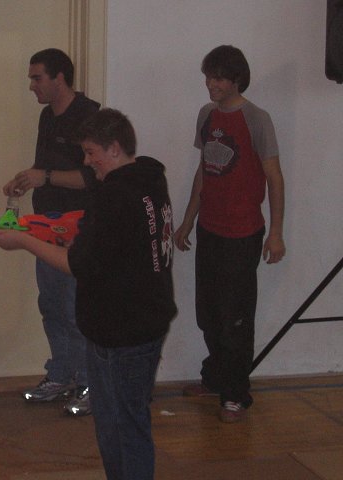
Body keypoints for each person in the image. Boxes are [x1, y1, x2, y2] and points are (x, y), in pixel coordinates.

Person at [0, 108, 176, 479]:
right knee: (117, 424)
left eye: (91, 153)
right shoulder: (149, 180)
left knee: (123, 428)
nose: (88, 162)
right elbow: (113, 244)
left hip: (122, 332)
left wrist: (24, 239)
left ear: (115, 148)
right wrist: (49, 228)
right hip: (139, 323)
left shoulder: (115, 196)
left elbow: (77, 264)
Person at [174, 45, 286, 423]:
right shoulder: (207, 115)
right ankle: (215, 378)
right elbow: (204, 170)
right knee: (208, 313)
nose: (211, 84)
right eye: (209, 77)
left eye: (219, 78)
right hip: (210, 228)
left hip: (243, 233)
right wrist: (188, 221)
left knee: (235, 317)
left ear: (237, 79)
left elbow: (274, 178)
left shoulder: (257, 119)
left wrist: (276, 233)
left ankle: (236, 394)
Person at [2, 48, 100, 415]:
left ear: (59, 78)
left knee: (77, 308)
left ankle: (89, 382)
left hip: (77, 231)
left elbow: (92, 176)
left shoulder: (90, 115)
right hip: (45, 227)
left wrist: (43, 176)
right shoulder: (47, 116)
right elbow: (46, 168)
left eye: (37, 78)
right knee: (52, 305)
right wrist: (25, 180)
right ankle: (61, 376)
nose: (31, 86)